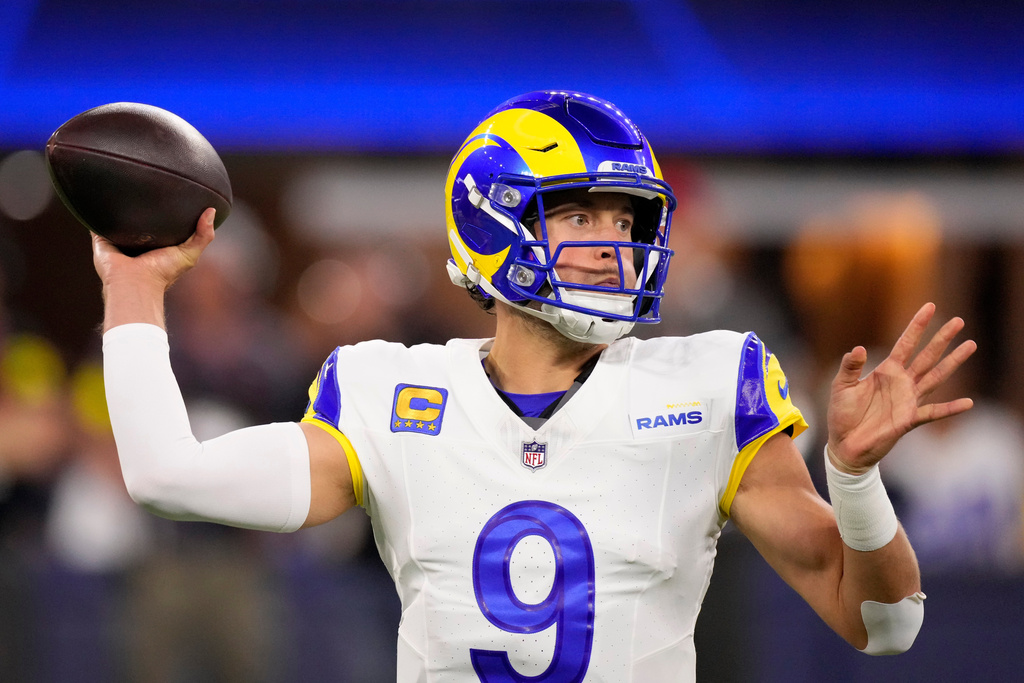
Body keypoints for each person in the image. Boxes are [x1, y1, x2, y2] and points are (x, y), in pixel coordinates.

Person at [93, 91, 976, 681]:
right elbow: (168, 475)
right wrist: (134, 283)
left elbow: (885, 624)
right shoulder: (391, 392)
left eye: (626, 220)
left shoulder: (710, 385)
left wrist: (854, 479)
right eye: (580, 213)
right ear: (491, 221)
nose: (611, 245)